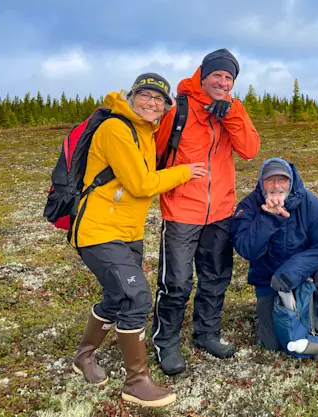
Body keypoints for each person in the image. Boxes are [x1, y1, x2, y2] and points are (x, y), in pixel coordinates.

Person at [71, 73, 206, 407]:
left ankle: (83, 357)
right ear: (131, 97)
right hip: (99, 231)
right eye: (146, 95)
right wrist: (185, 171)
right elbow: (141, 184)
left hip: (126, 232)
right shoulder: (116, 128)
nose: (152, 102)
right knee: (136, 298)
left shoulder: (146, 131)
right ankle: (137, 381)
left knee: (117, 298)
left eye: (159, 99)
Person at [150, 48, 261, 374]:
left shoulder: (233, 108)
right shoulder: (178, 108)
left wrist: (230, 115)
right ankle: (166, 342)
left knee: (215, 278)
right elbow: (155, 153)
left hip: (221, 210)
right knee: (177, 282)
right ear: (203, 74)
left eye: (229, 78)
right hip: (182, 210)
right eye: (218, 75)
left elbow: (250, 150)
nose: (223, 82)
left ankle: (207, 333)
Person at [230, 158, 318, 353]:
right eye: (270, 180)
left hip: (306, 273)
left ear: (290, 181)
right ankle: (291, 315)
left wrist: (292, 272)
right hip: (269, 280)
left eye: (282, 180)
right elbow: (247, 249)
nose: (276, 186)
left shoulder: (310, 203)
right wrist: (268, 218)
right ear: (261, 182)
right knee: (272, 345)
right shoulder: (249, 206)